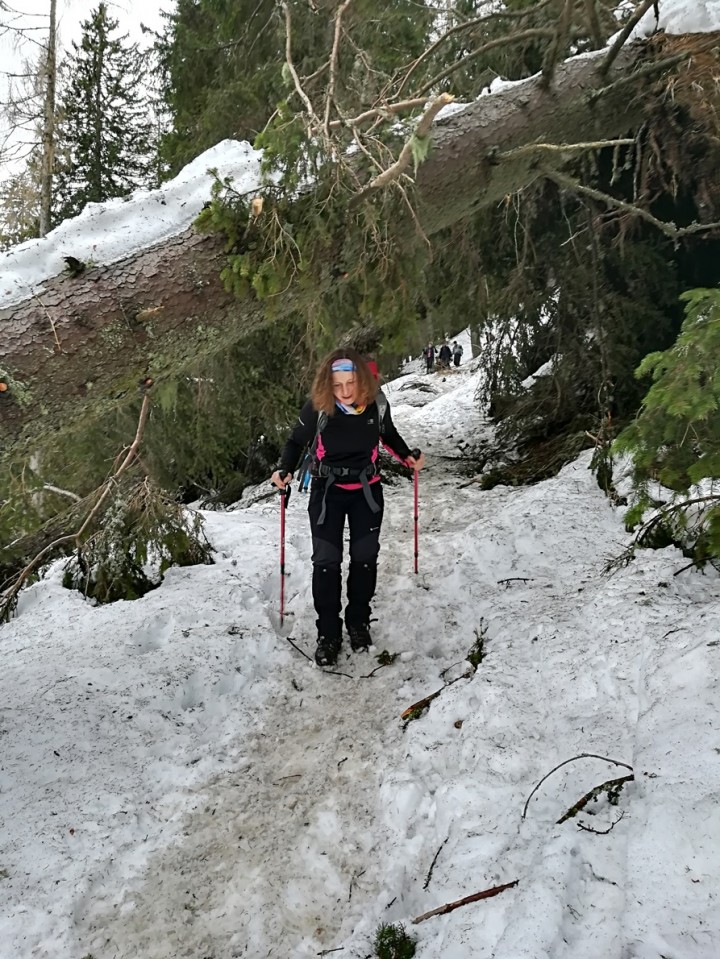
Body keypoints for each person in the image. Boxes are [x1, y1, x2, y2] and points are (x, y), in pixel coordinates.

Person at [271, 348, 425, 667]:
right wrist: (284, 469)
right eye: (337, 385)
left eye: (350, 383)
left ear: (362, 380)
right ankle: (328, 633)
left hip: (366, 492)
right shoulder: (319, 406)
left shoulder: (377, 404)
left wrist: (408, 456)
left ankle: (358, 622)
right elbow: (296, 442)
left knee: (364, 559)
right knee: (326, 562)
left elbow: (388, 434)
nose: (344, 391)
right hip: (327, 493)